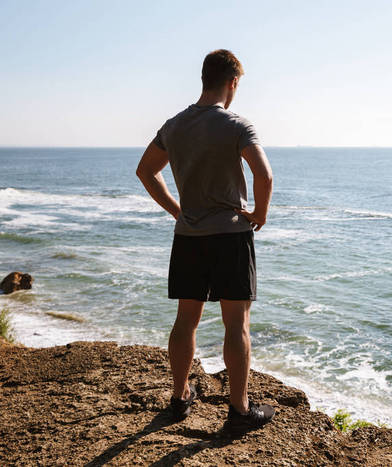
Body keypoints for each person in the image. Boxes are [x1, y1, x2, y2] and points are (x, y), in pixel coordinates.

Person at [136, 49, 274, 428]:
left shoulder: (174, 125)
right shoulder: (236, 125)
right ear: (232, 82)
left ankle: (179, 398)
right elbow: (264, 175)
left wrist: (176, 210)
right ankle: (240, 411)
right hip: (230, 236)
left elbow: (146, 171)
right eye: (237, 85)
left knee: (186, 320)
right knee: (236, 325)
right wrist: (259, 214)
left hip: (189, 236)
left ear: (203, 79)